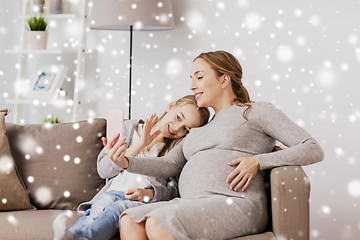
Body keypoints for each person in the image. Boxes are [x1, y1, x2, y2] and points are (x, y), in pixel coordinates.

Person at [107, 50, 325, 240]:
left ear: (224, 80)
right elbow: (168, 165)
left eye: (199, 77)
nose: (192, 85)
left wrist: (258, 161)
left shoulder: (255, 112)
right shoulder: (197, 130)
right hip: (192, 204)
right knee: (129, 220)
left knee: (158, 222)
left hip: (236, 203)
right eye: (191, 78)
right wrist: (125, 161)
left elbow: (312, 148)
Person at [52, 95, 210, 240]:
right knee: (94, 214)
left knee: (116, 209)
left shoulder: (175, 151)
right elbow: (103, 170)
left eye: (186, 129)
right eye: (178, 117)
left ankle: (77, 237)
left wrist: (149, 193)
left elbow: (174, 190)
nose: (177, 127)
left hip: (140, 202)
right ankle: (73, 236)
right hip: (112, 193)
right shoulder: (129, 128)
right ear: (171, 106)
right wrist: (140, 144)